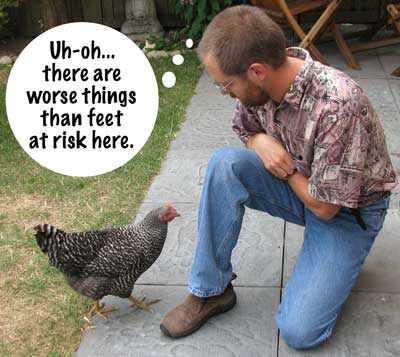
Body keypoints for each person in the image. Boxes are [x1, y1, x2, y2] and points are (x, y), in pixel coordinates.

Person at [160, 5, 398, 349]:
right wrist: (260, 142)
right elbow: (245, 127)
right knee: (225, 165)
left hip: (348, 212)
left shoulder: (336, 105)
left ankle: (344, 257)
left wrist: (281, 165)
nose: (226, 93)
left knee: (300, 332)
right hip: (307, 184)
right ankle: (211, 291)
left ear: (256, 71)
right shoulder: (263, 85)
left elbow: (325, 208)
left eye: (227, 85)